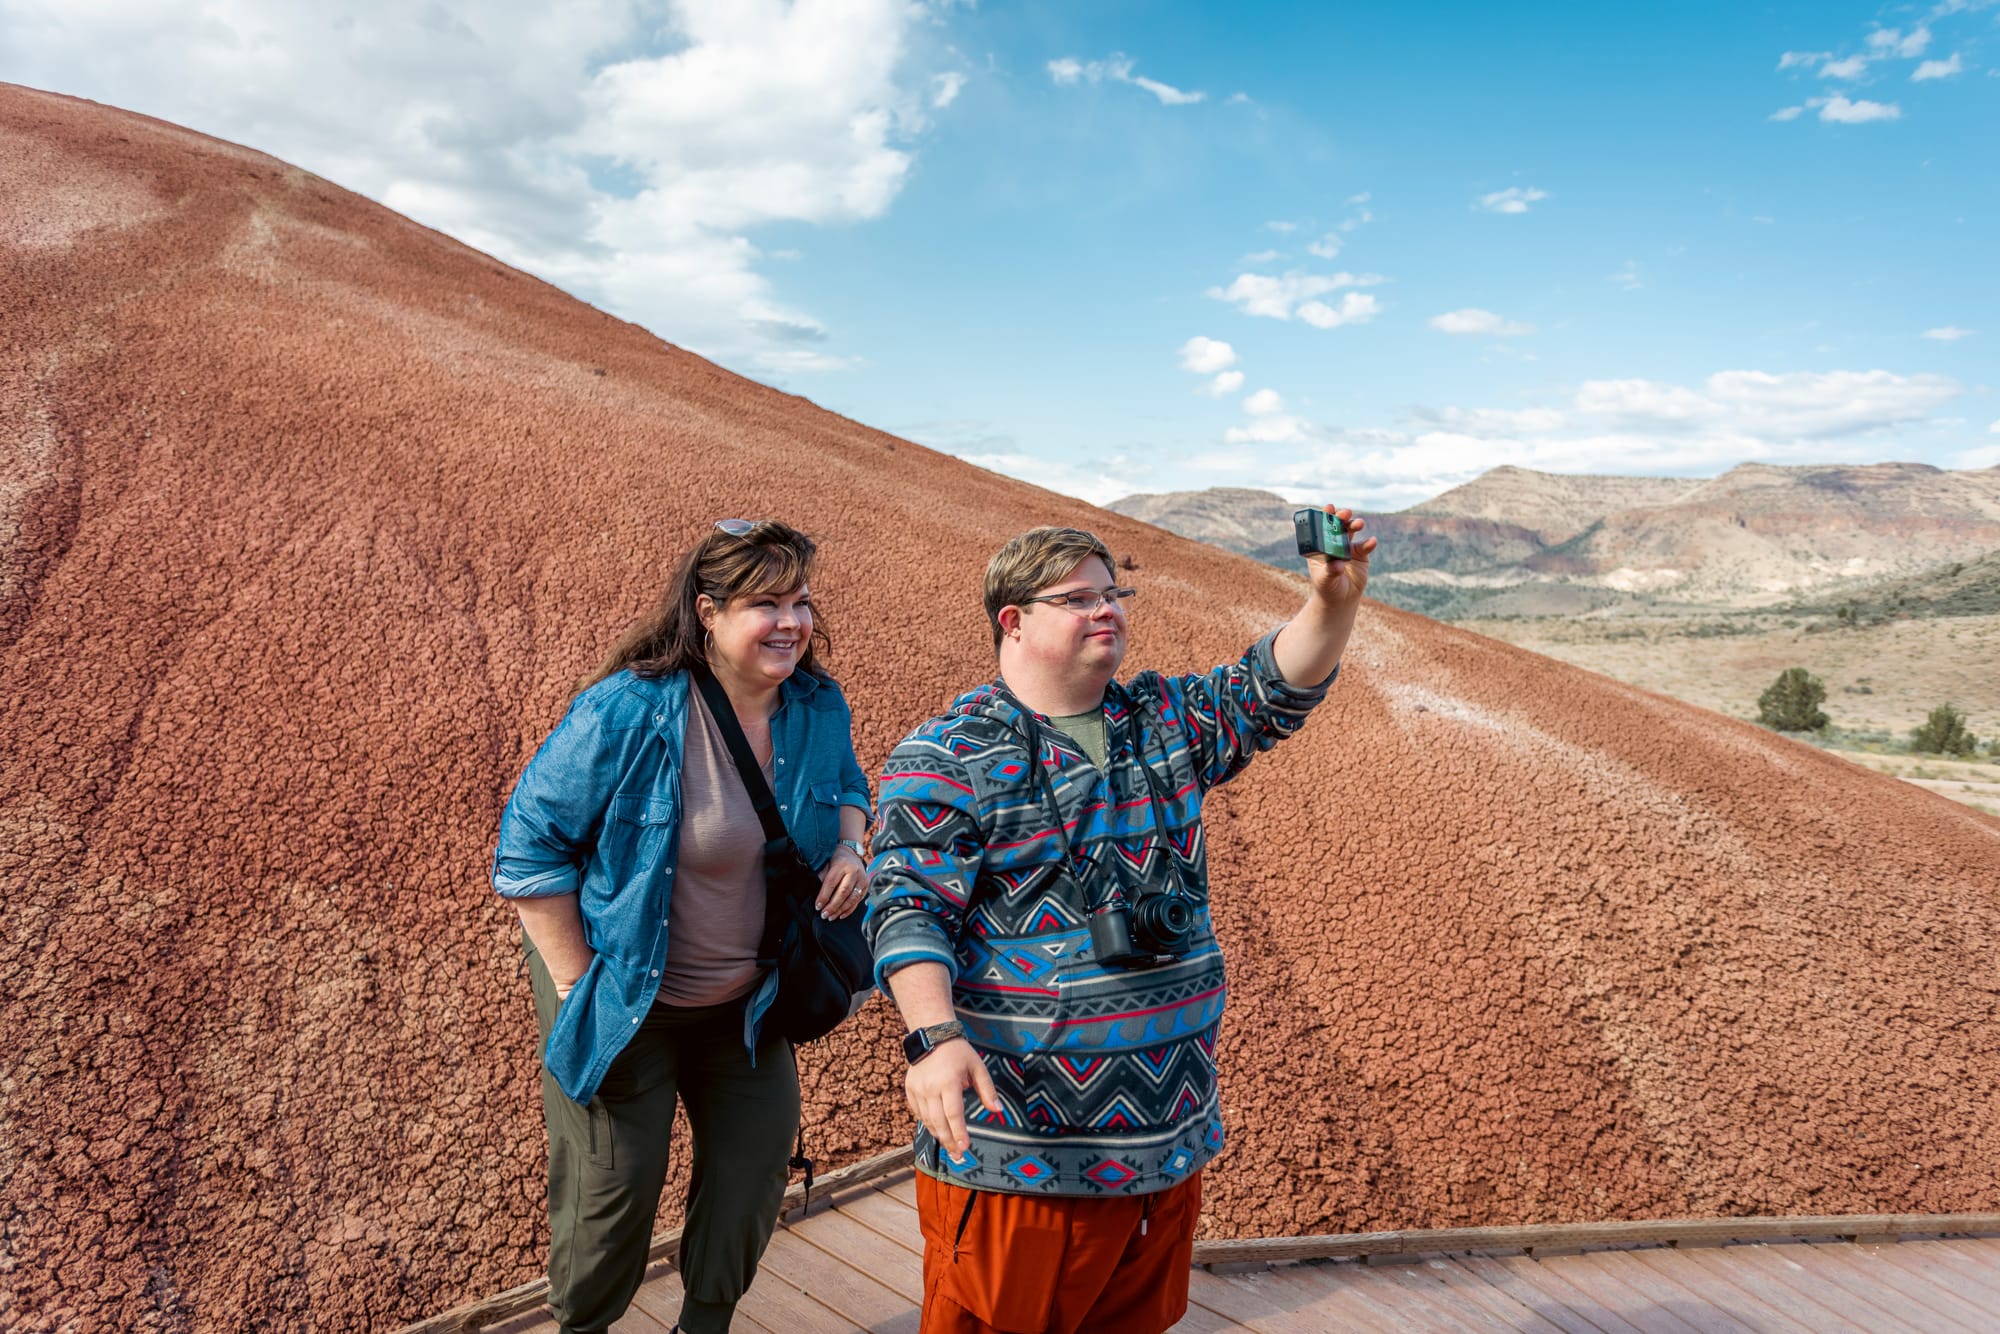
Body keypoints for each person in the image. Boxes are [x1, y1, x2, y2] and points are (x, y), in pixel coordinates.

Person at [865, 513, 1373, 1334]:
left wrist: (1334, 601)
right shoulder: (948, 754)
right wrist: (931, 1036)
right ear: (1014, 620)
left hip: (1165, 1138)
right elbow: (906, 904)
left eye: (1114, 594)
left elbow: (1271, 689)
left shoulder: (1163, 722)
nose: (1108, 610)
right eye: (1079, 598)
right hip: (1021, 1157)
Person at [492, 519, 872, 1334]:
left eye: (800, 601)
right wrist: (574, 985)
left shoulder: (814, 701)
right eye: (765, 603)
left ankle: (704, 1326)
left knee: (752, 1175)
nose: (792, 622)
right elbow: (528, 851)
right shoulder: (630, 709)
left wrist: (849, 848)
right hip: (626, 996)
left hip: (748, 1005)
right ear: (707, 610)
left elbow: (846, 780)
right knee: (613, 1197)